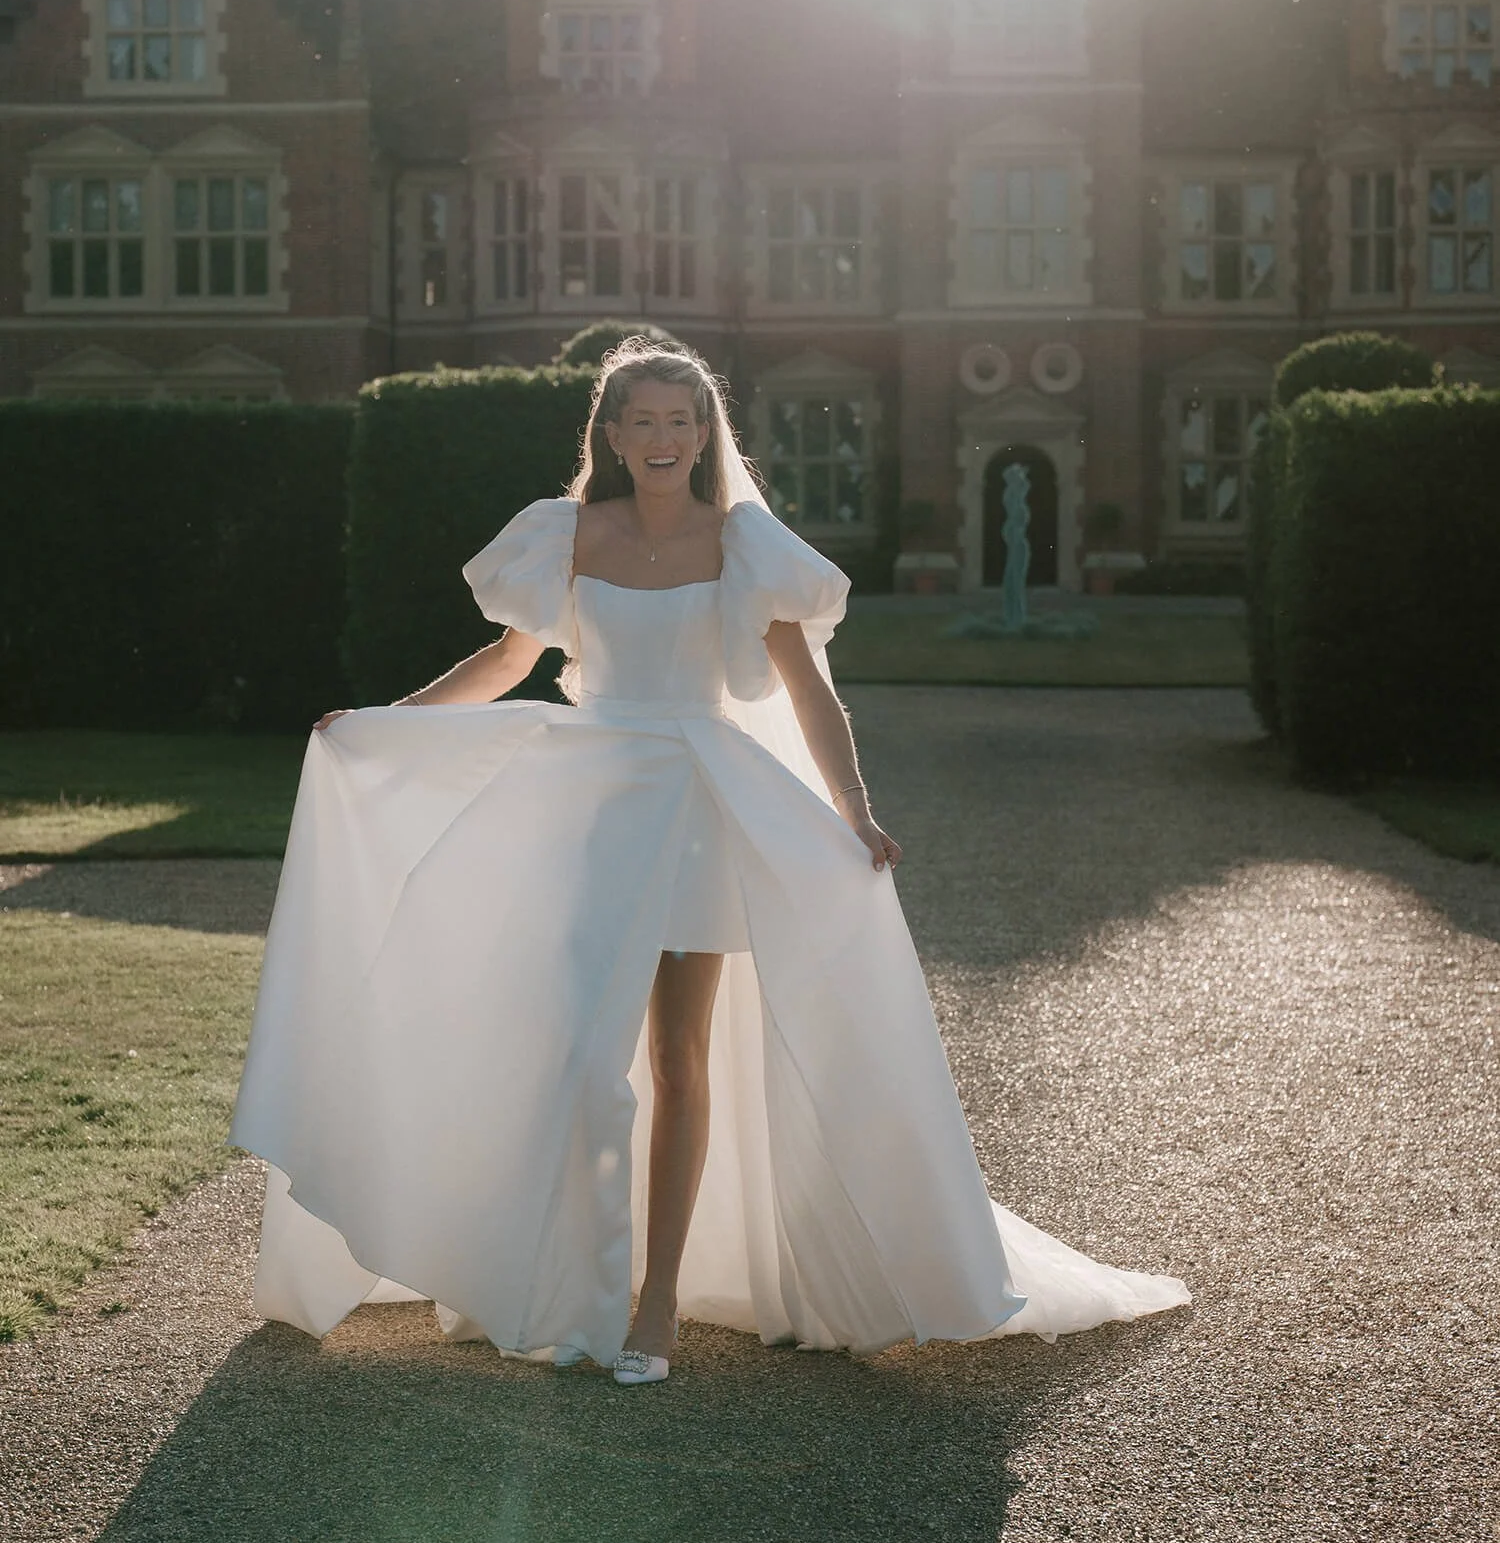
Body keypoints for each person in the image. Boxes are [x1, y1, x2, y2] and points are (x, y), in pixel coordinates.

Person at [231, 340, 1189, 1385]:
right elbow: (511, 661)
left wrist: (854, 810)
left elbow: (805, 689)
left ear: (703, 435)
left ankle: (655, 1305)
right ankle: (551, 1279)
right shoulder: (565, 534)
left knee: (680, 1061)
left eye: (678, 423)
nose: (660, 440)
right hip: (590, 804)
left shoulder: (744, 544)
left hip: (698, 805)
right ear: (611, 432)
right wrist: (386, 725)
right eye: (640, 421)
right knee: (574, 1057)